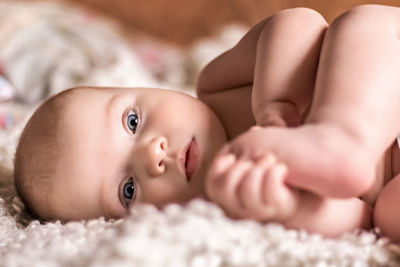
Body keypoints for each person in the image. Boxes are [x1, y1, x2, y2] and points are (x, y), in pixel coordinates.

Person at [13, 5, 400, 241]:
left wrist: (276, 105)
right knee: (388, 215)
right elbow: (359, 221)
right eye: (128, 190)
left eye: (132, 121)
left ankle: (343, 133)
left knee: (364, 25)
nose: (154, 155)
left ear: (141, 86)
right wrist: (285, 209)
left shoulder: (218, 85)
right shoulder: (236, 207)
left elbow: (298, 24)